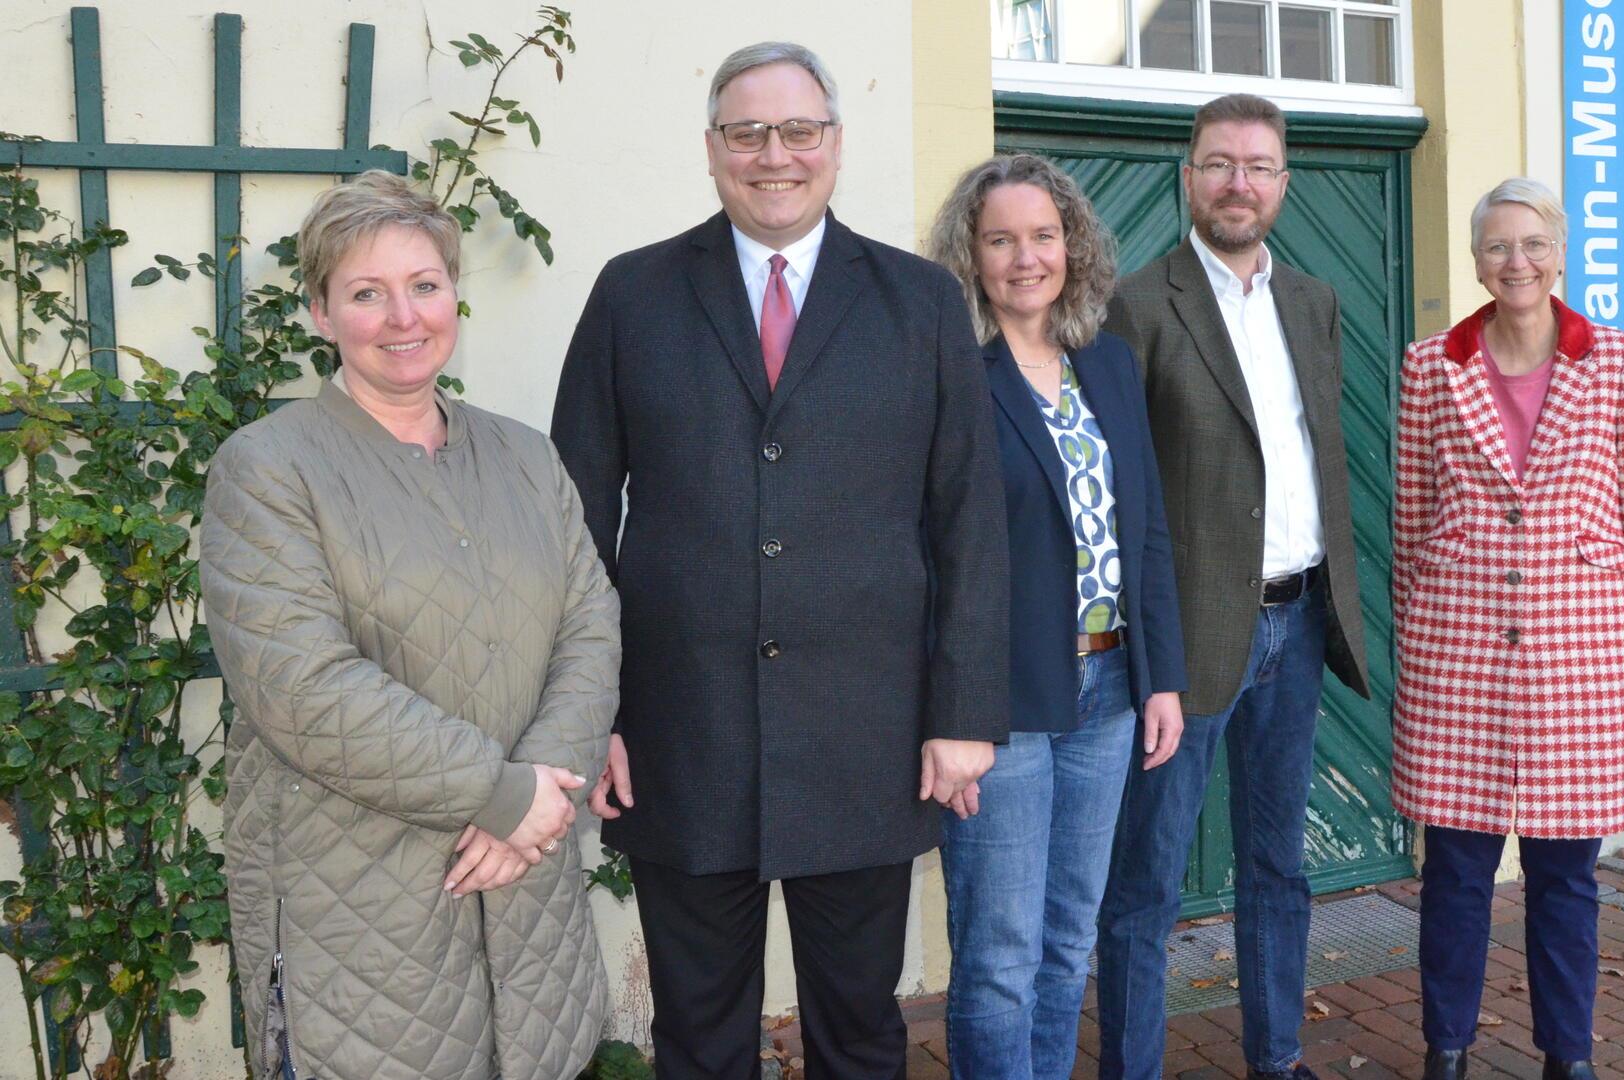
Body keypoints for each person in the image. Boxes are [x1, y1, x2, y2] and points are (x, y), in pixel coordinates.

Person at [549, 42, 1010, 1079]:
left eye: (799, 131)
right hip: (681, 734)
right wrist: (598, 712)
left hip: (868, 735)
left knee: (860, 1034)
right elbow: (572, 523)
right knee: (699, 1037)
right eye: (747, 133)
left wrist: (964, 713)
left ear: (836, 147)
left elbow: (969, 520)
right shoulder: (632, 295)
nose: (775, 155)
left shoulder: (922, 304)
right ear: (712, 151)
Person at [201, 170, 619, 1080]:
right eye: (366, 293)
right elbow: (303, 688)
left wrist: (540, 803)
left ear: (453, 295)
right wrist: (508, 799)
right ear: (320, 312)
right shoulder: (267, 471)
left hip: (526, 886)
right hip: (356, 902)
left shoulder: (526, 456)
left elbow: (590, 626)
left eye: (424, 285)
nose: (403, 317)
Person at [1096, 93, 1371, 1080]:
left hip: (1297, 626)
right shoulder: (1137, 304)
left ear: (1284, 183)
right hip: (1187, 639)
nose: (1238, 183)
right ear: (1189, 177)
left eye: (1257, 166)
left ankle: (1278, 1058)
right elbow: (1121, 486)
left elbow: (1315, 455)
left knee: (1277, 866)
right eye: (1218, 163)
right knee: (1147, 882)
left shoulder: (1314, 301)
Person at [1392, 177, 1624, 1080]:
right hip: (1459, 656)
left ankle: (1568, 1054)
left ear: (1560, 253)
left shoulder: (1620, 361)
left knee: (1566, 882)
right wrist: (1417, 651)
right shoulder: (1429, 365)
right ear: (1475, 258)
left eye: (1531, 244)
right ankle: (1447, 1047)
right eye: (1495, 246)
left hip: (1581, 659)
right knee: (1456, 876)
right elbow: (1411, 518)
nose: (1513, 262)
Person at [924, 154, 1187, 1079]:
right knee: (999, 960)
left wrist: (1162, 678)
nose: (1025, 257)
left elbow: (1144, 526)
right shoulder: (948, 369)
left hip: (1111, 688)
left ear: (1072, 246)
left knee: (1069, 941)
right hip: (999, 700)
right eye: (1001, 239)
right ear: (971, 253)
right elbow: (922, 554)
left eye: (1043, 236)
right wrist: (945, 716)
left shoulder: (1106, 362)